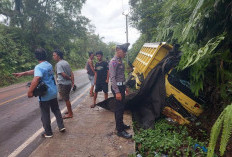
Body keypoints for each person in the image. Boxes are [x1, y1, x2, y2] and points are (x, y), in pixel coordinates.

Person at [13, 48, 65, 138]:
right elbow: (37, 71)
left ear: (36, 57)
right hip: (53, 92)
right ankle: (61, 126)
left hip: (45, 94)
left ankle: (48, 133)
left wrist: (30, 91)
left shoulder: (39, 67)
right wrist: (23, 73)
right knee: (56, 110)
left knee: (45, 113)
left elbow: (36, 78)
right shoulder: (48, 65)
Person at [109, 43, 132, 139]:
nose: (125, 53)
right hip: (117, 88)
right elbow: (112, 77)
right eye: (124, 51)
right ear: (118, 50)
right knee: (118, 109)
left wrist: (125, 86)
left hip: (121, 87)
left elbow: (121, 76)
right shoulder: (113, 62)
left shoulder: (120, 61)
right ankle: (120, 130)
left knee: (121, 108)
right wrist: (117, 92)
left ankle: (121, 124)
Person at [53, 49, 74, 119]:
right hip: (68, 84)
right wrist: (71, 80)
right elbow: (71, 72)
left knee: (66, 99)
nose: (53, 57)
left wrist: (69, 78)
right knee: (66, 98)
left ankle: (70, 113)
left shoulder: (58, 64)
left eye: (54, 55)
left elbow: (63, 74)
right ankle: (69, 110)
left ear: (58, 56)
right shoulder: (66, 62)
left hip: (64, 84)